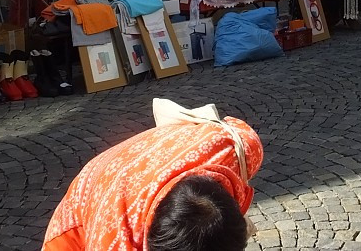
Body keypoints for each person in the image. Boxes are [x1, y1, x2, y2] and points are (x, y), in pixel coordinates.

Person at [43, 101, 263, 251]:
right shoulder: (115, 240)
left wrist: (238, 222)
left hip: (136, 169)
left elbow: (238, 132)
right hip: (84, 209)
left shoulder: (233, 149)